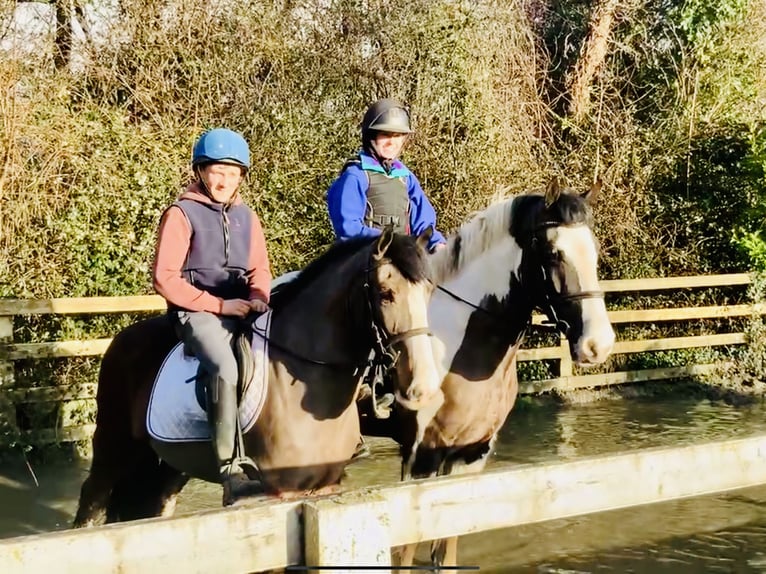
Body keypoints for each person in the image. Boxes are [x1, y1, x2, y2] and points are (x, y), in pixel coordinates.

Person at [152, 127, 272, 506]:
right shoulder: (180, 214)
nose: (224, 180)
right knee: (224, 366)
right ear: (201, 171)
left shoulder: (248, 218)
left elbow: (260, 270)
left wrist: (259, 297)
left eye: (233, 173)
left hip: (241, 307)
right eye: (217, 171)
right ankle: (231, 467)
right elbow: (164, 278)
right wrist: (220, 306)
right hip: (196, 313)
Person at [326, 97, 447, 253]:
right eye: (386, 134)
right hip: (365, 257)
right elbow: (349, 229)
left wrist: (437, 244)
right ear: (371, 136)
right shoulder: (355, 175)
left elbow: (424, 223)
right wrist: (391, 241)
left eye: (397, 136)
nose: (392, 142)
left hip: (402, 255)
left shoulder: (405, 177)